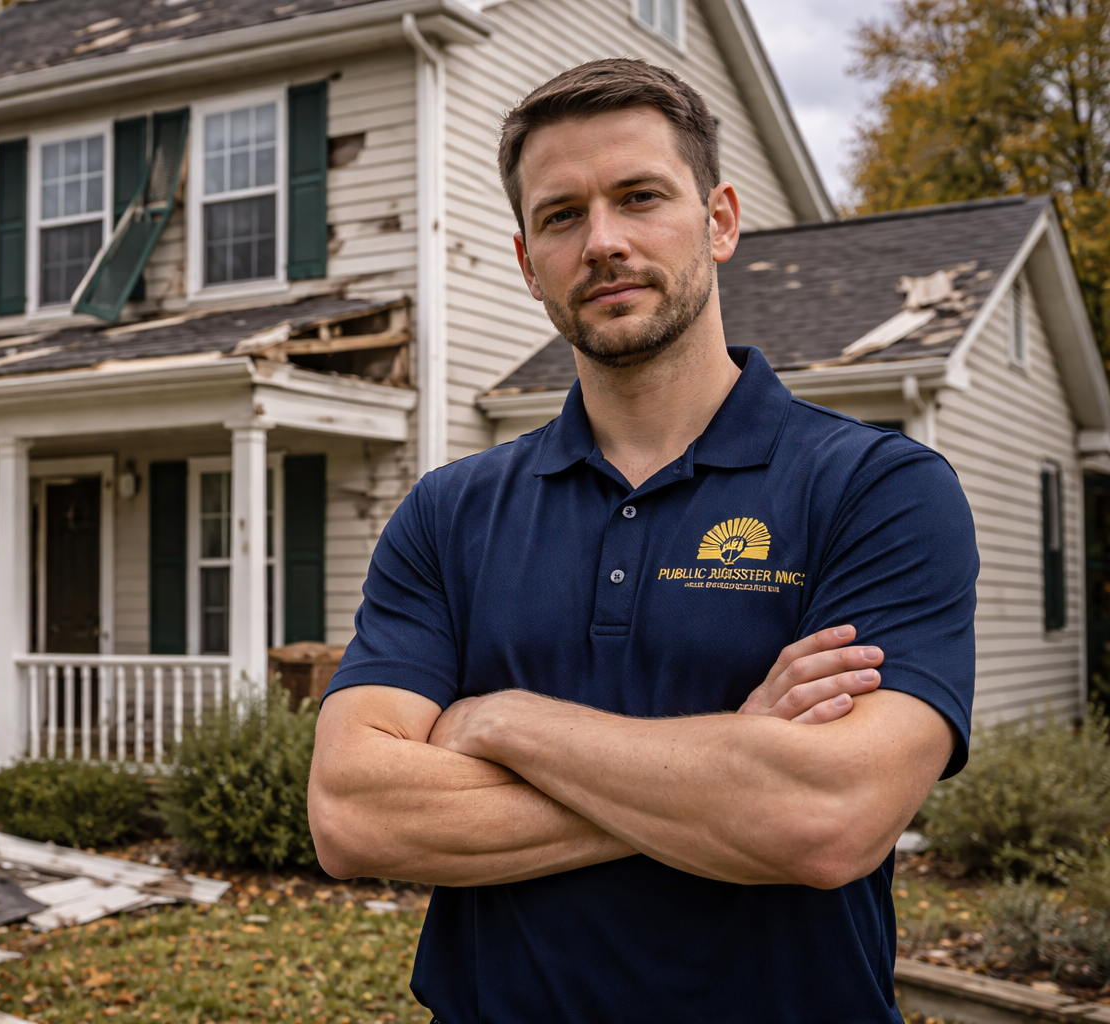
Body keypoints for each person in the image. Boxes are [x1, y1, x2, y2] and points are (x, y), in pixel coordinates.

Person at [307, 58, 978, 1023]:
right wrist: (735, 767)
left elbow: (828, 819)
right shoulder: (450, 513)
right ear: (526, 255)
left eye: (640, 197)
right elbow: (353, 813)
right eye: (562, 215)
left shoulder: (876, 489)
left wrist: (503, 725)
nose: (604, 241)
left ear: (720, 219)